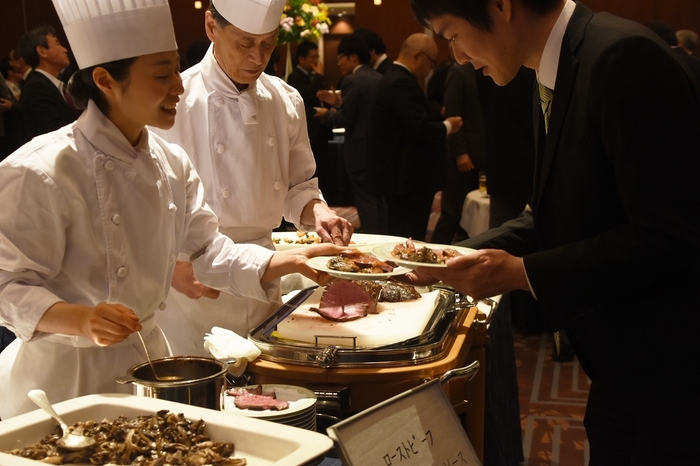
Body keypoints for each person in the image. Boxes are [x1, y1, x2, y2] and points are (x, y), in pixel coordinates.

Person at [0, 0, 344, 420]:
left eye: (175, 70)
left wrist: (285, 259)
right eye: (162, 75)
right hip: (61, 381)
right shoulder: (38, 170)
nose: (179, 88)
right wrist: (80, 318)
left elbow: (208, 252)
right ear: (106, 81)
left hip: (148, 368)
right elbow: (8, 287)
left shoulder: (170, 163)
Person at [407, 0, 700, 464]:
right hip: (618, 367)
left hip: (671, 371)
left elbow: (671, 235)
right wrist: (437, 258)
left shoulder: (621, 58)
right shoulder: (555, 67)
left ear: (500, 6)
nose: (458, 56)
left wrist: (523, 273)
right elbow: (551, 214)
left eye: (452, 34)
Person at [151, 0, 353, 356]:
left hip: (265, 271)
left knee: (268, 389)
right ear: (212, 27)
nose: (257, 58)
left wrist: (318, 211)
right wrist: (169, 265)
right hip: (194, 282)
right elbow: (153, 201)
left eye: (268, 44)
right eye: (245, 43)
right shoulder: (175, 100)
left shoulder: (286, 99)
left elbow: (298, 187)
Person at [368, 33, 463, 241]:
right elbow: (418, 128)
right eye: (431, 62)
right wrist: (449, 126)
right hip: (407, 179)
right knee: (407, 236)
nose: (431, 69)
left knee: (406, 233)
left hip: (404, 177)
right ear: (418, 57)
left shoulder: (397, 78)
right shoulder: (400, 82)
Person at [316, 35, 386, 234]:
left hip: (359, 152)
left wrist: (326, 113)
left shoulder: (352, 81)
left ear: (354, 57)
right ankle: (384, 237)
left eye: (341, 57)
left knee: (366, 202)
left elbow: (344, 119)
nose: (338, 63)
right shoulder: (379, 77)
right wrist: (339, 102)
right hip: (379, 151)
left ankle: (374, 239)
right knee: (379, 201)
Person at [430, 62, 485, 245]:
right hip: (463, 155)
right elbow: (453, 115)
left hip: (484, 156)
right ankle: (431, 261)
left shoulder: (486, 69)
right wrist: (460, 152)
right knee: (451, 214)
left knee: (476, 216)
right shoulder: (459, 72)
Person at [287, 41, 335, 203]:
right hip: (309, 132)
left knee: (326, 170)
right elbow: (304, 96)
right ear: (301, 59)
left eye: (317, 56)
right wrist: (318, 76)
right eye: (312, 57)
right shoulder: (295, 77)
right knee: (311, 171)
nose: (316, 60)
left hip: (322, 129)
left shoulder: (314, 76)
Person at [16, 25, 77, 139]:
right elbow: (53, 130)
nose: (65, 50)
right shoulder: (37, 87)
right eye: (57, 44)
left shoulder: (46, 83)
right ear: (42, 51)